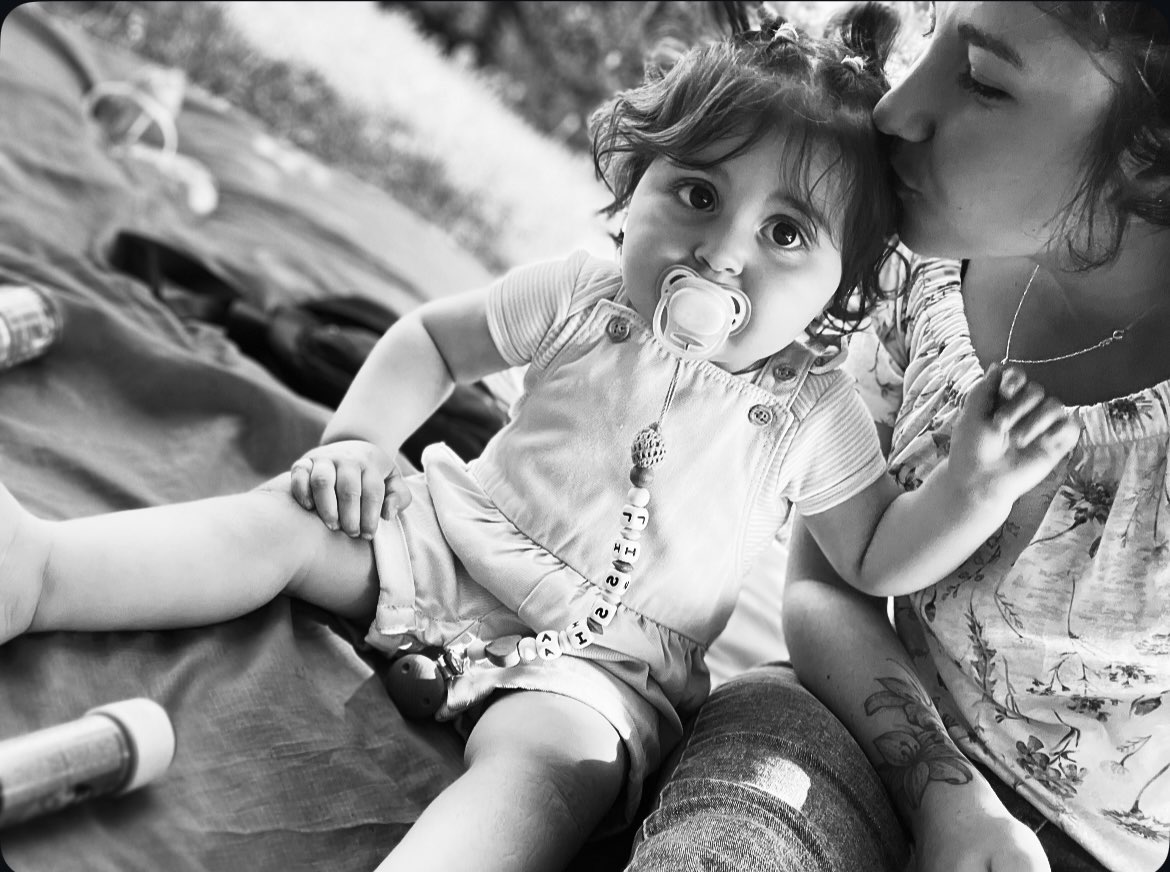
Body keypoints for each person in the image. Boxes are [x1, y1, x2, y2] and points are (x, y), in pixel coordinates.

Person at [0, 7, 1074, 872]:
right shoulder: (583, 297)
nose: (723, 251)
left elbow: (873, 556)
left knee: (553, 767)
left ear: (843, 288)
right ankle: (43, 570)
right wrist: (362, 442)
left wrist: (971, 488)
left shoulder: (811, 411)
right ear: (634, 186)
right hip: (449, 547)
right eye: (698, 193)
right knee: (287, 520)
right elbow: (431, 340)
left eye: (786, 233)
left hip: (604, 663)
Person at [624, 3, 1170, 872]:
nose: (893, 110)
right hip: (845, 726)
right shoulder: (921, 277)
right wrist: (948, 797)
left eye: (981, 81)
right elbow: (827, 587)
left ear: (1153, 152)